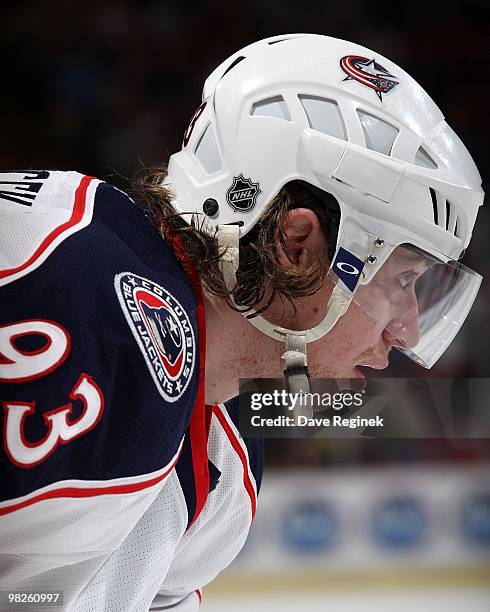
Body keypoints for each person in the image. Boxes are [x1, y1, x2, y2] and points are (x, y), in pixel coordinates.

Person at [0, 34, 483, 611]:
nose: (406, 331)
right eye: (402, 280)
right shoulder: (86, 312)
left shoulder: (225, 463)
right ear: (296, 243)